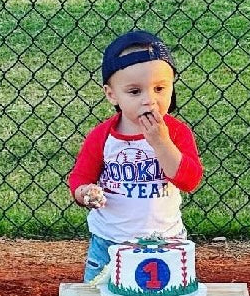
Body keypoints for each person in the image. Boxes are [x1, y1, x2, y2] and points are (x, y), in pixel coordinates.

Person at [68, 30, 204, 282]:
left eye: (160, 88)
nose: (149, 101)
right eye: (134, 92)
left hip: (166, 242)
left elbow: (189, 180)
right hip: (109, 243)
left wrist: (161, 142)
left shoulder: (175, 133)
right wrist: (85, 193)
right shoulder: (103, 136)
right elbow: (79, 177)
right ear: (112, 95)